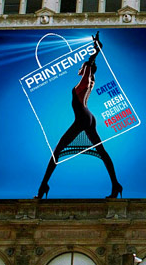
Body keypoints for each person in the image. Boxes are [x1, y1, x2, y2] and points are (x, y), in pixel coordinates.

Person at [36, 33, 122, 200]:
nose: (80, 70)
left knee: (57, 151)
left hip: (83, 117)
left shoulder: (85, 79)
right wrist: (96, 50)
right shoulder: (90, 81)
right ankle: (116, 184)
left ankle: (43, 186)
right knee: (102, 152)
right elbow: (91, 67)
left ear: (85, 69)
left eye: (82, 68)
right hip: (88, 116)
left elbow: (90, 64)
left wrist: (95, 51)